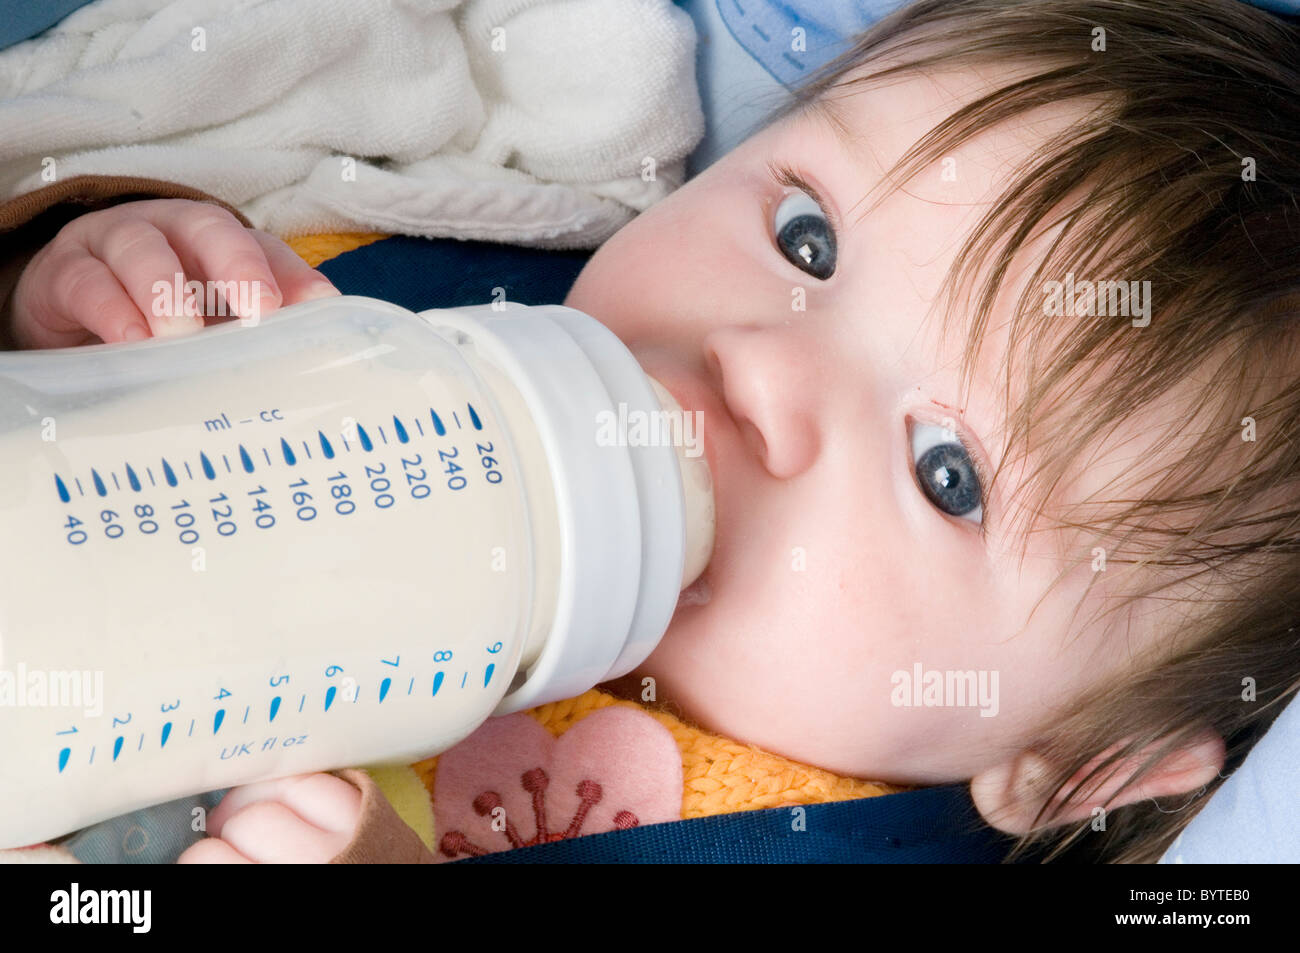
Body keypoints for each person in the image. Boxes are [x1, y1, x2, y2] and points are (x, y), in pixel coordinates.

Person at [2, 0, 1297, 864]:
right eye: (807, 237)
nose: (762, 370)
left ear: (1073, 768)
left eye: (945, 471)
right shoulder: (427, 313)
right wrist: (90, 282)